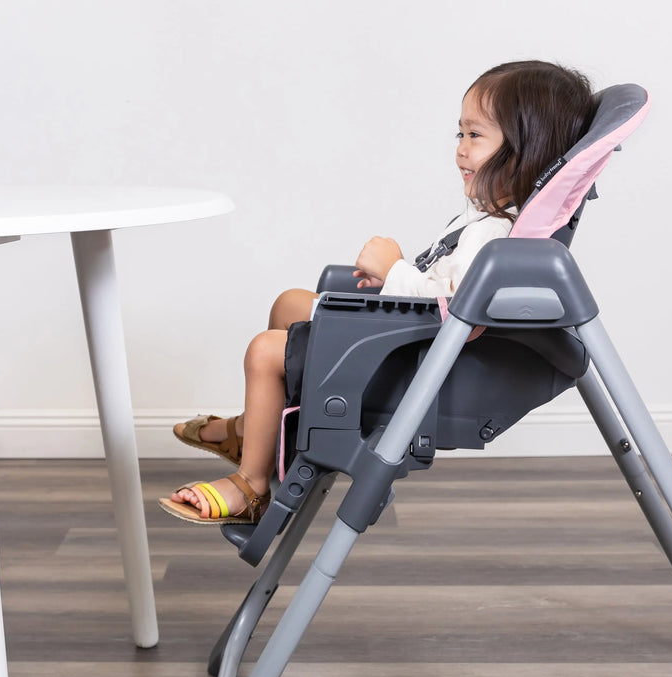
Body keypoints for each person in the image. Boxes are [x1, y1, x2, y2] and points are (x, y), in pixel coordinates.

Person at [159, 60, 595, 524]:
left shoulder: (497, 237)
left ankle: (252, 486)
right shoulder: (486, 220)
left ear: (523, 150)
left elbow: (461, 318)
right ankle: (254, 431)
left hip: (411, 364)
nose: (460, 151)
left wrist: (395, 270)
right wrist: (394, 279)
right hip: (407, 341)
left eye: (475, 135)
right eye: (459, 135)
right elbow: (446, 288)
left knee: (266, 351)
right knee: (290, 302)